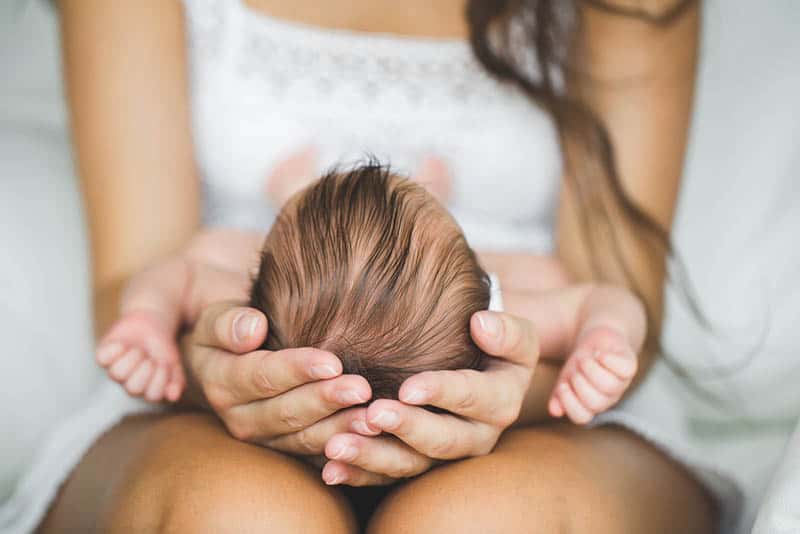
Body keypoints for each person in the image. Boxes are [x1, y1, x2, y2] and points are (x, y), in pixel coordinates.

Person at [16, 0, 800, 532]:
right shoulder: (229, 275)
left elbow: (615, 307)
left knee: (475, 524)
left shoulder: (513, 293)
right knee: (239, 516)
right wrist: (186, 357)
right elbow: (145, 282)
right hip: (214, 403)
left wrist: (546, 378)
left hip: (536, 405)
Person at [99, 166, 643, 419]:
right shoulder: (494, 318)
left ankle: (289, 191)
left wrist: (148, 319)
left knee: (209, 244)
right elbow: (604, 298)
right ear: (478, 282)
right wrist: (603, 338)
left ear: (254, 282)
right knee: (549, 275)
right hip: (470, 274)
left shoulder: (250, 314)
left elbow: (177, 275)